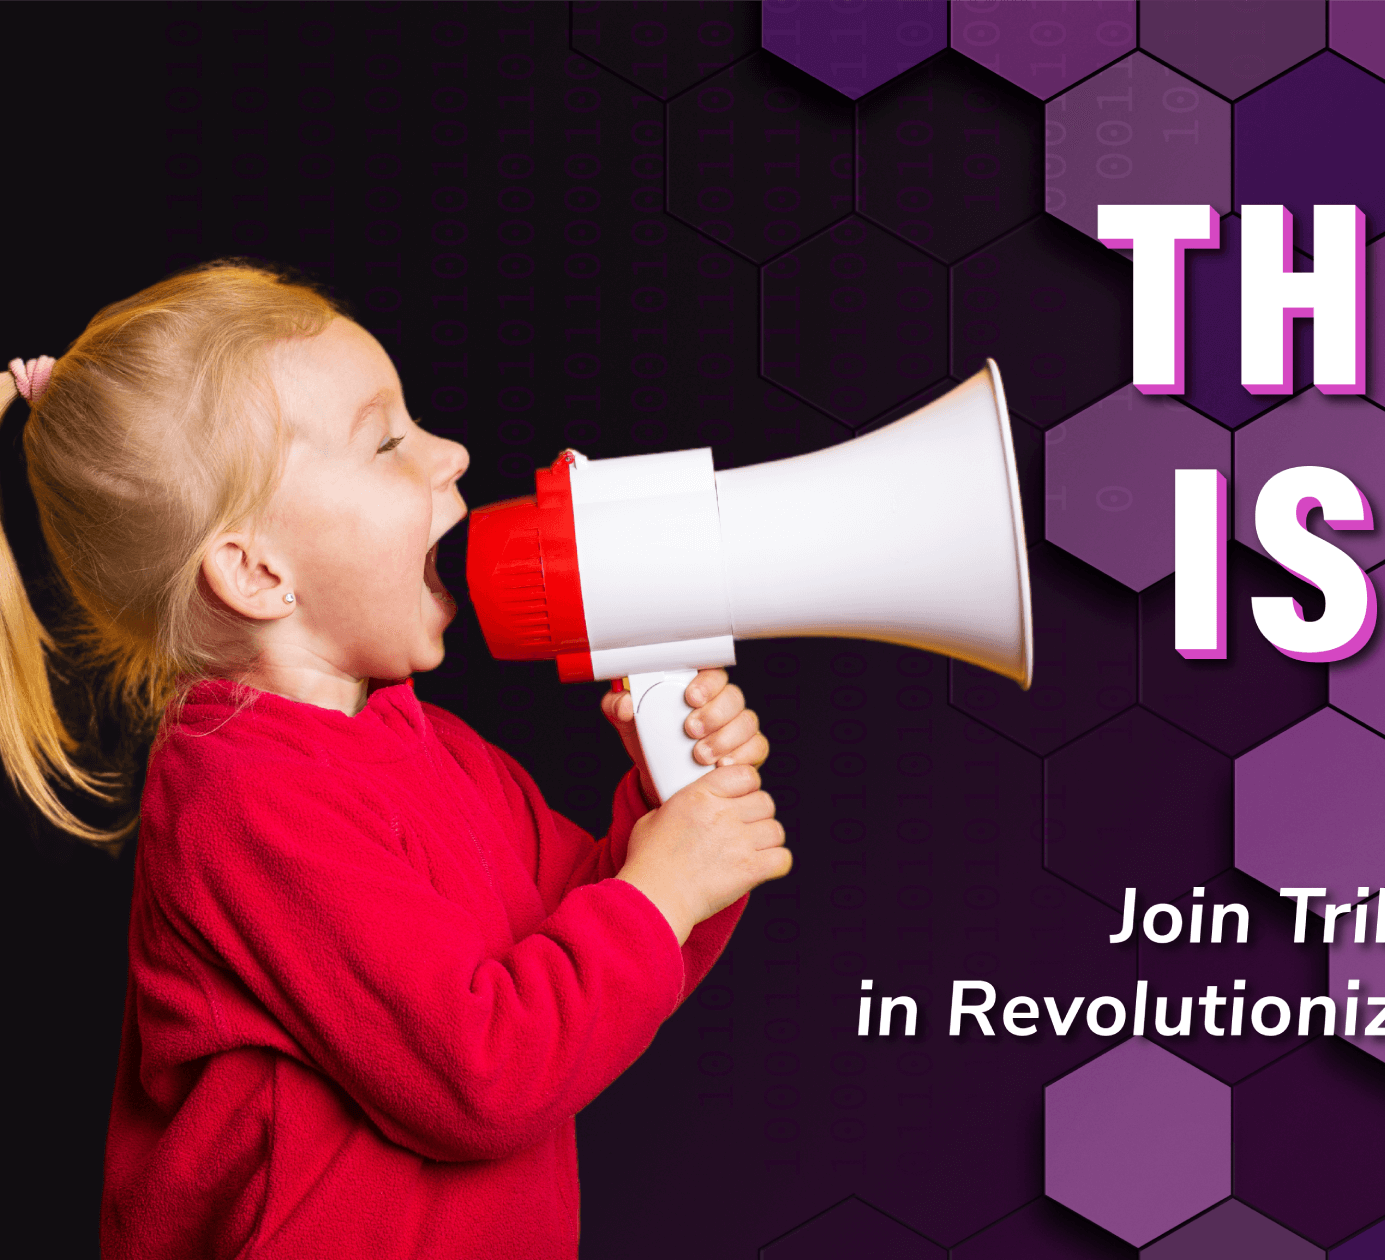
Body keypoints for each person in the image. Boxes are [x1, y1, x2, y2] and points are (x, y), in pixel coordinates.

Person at [0, 258, 791, 1258]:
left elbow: (583, 970)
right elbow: (487, 1073)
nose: (452, 453)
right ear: (256, 571)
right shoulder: (246, 803)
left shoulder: (427, 746)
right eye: (387, 440)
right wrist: (661, 888)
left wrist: (668, 815)